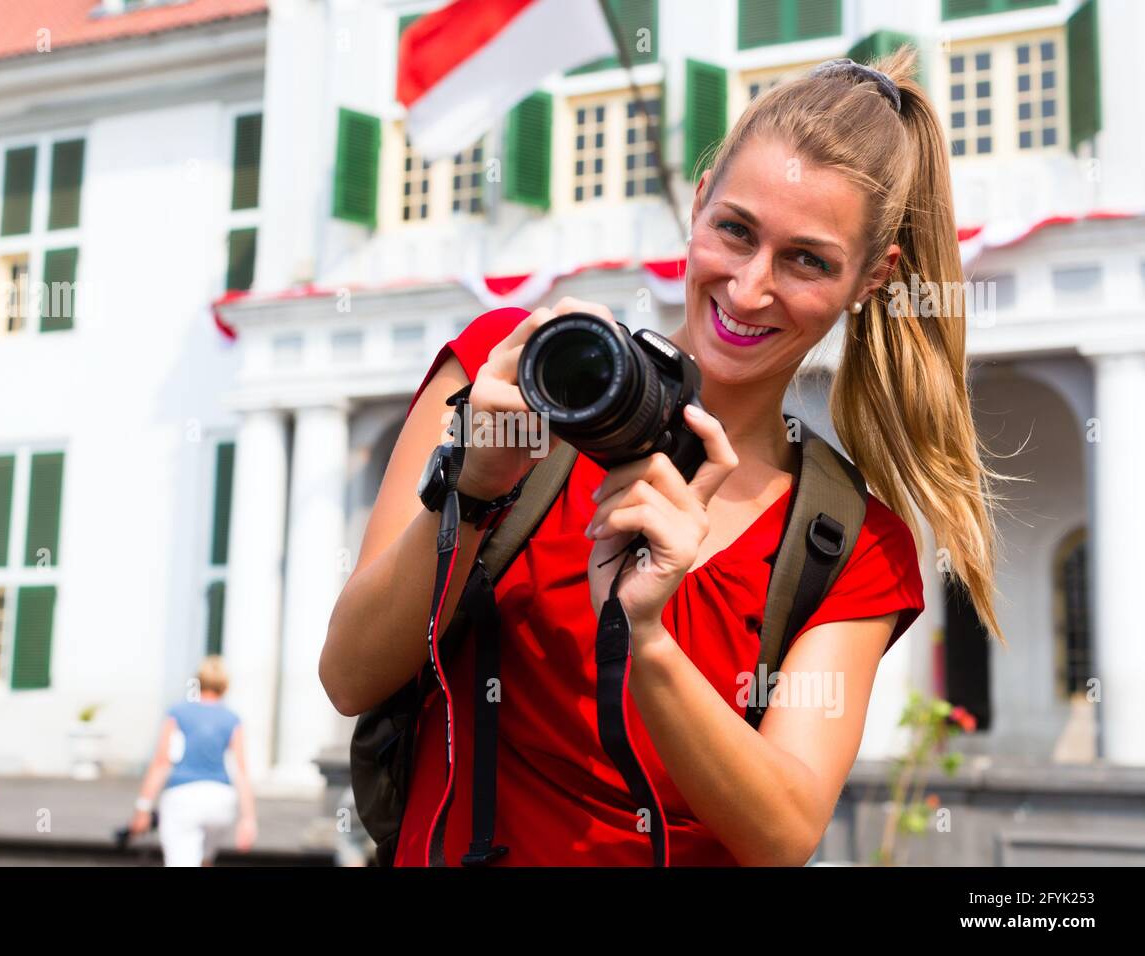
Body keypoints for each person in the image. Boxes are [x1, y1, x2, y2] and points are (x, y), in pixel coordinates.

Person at [321, 46, 1006, 867]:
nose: (751, 289)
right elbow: (350, 677)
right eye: (735, 231)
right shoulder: (505, 373)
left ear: (872, 277)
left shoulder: (848, 542)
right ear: (699, 205)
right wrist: (470, 490)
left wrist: (645, 637)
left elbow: (783, 831)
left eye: (807, 260)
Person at [130, 656, 257, 866]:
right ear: (225, 685)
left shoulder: (178, 713)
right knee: (204, 860)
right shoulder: (231, 719)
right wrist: (248, 819)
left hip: (183, 796)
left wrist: (143, 806)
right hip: (220, 799)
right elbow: (241, 771)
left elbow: (162, 762)